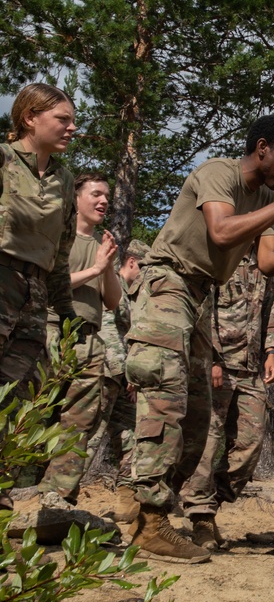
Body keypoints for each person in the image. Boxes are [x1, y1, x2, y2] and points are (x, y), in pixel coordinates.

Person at [126, 114, 274, 563]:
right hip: (169, 282)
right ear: (261, 148)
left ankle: (147, 507)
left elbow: (268, 263)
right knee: (166, 398)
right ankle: (148, 520)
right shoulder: (220, 173)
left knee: (197, 422)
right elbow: (221, 231)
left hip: (198, 297)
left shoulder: (266, 198)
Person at [0, 83, 78, 510]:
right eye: (62, 119)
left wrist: (67, 313)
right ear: (30, 117)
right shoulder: (3, 159)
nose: (71, 128)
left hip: (33, 297)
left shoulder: (65, 180)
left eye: (72, 120)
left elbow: (62, 253)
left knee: (17, 398)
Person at [179, 245, 274, 549]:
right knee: (206, 445)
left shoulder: (265, 265)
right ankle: (200, 518)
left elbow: (269, 312)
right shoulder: (215, 259)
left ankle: (213, 504)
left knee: (251, 443)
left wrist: (271, 352)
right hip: (217, 366)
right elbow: (201, 313)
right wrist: (210, 359)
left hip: (251, 369)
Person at [37, 174, 122, 509]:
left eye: (107, 197)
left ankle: (56, 498)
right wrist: (95, 268)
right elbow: (47, 284)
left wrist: (108, 267)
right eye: (96, 194)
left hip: (89, 338)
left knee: (78, 424)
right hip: (52, 330)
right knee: (34, 414)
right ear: (76, 199)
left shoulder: (101, 245)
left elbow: (112, 302)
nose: (103, 201)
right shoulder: (58, 236)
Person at [90, 239, 150, 523]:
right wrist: (124, 369)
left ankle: (127, 500)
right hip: (108, 370)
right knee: (91, 432)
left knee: (129, 437)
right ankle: (58, 497)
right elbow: (109, 330)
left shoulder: (132, 294)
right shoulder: (110, 281)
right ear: (132, 262)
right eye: (145, 269)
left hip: (124, 375)